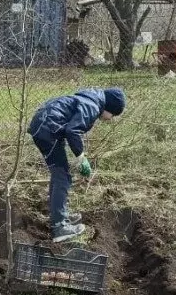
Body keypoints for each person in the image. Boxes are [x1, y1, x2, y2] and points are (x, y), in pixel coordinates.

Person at [28, 87, 126, 242]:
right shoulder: (92, 107)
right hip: (48, 129)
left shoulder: (90, 99)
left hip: (44, 126)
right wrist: (81, 157)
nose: (111, 118)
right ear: (110, 108)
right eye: (113, 114)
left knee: (60, 174)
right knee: (63, 177)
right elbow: (73, 131)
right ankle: (60, 226)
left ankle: (60, 216)